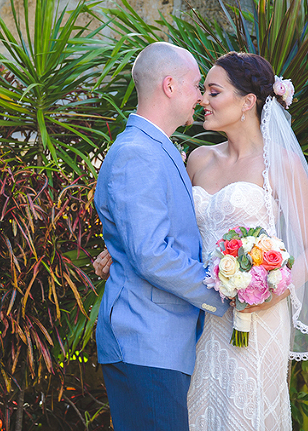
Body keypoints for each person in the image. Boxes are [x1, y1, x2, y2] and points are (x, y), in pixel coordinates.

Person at [94, 52, 308, 430]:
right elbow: (160, 227)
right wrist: (121, 249)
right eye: (203, 90)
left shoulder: (280, 163)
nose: (203, 100)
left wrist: (270, 289)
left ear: (248, 102)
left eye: (213, 91)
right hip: (197, 315)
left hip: (255, 315)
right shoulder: (197, 159)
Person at [92, 41, 229, 431]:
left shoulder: (158, 147)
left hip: (161, 342)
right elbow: (152, 253)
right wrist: (222, 291)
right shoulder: (139, 152)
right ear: (169, 85)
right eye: (195, 85)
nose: (200, 96)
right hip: (144, 340)